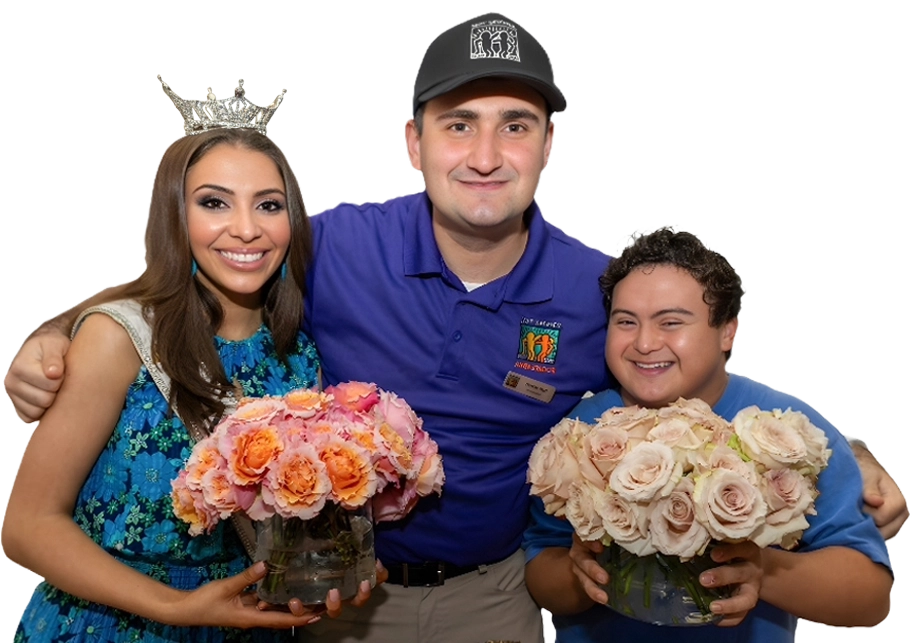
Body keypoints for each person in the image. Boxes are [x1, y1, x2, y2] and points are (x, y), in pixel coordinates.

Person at [3, 11, 907, 642]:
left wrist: (841, 456)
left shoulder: (595, 288)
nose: (484, 155)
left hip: (496, 598)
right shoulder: (337, 244)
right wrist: (63, 328)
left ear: (550, 143)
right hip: (329, 602)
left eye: (515, 125)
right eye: (458, 123)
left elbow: (681, 367)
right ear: (413, 140)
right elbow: (217, 265)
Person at [1, 88, 339, 641]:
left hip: (243, 624)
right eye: (214, 202)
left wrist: (335, 565)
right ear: (175, 216)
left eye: (268, 204)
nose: (247, 228)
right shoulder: (120, 337)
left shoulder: (299, 355)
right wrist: (175, 607)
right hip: (106, 623)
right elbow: (28, 528)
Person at [523, 226, 895, 642]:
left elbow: (871, 597)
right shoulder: (582, 431)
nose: (645, 342)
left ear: (727, 331)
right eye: (626, 321)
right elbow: (541, 568)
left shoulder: (787, 436)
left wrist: (765, 572)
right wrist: (578, 575)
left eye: (671, 322)